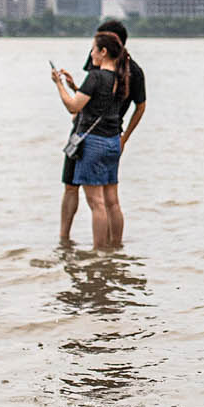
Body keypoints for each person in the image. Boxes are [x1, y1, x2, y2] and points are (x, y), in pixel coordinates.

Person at [59, 19, 147, 244]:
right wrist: (76, 90)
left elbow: (140, 106)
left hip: (93, 137)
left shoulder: (125, 72)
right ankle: (108, 249)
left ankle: (100, 251)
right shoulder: (115, 72)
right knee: (104, 198)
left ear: (108, 45)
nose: (92, 51)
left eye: (96, 45)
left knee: (97, 201)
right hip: (100, 135)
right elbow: (97, 96)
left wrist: (125, 137)